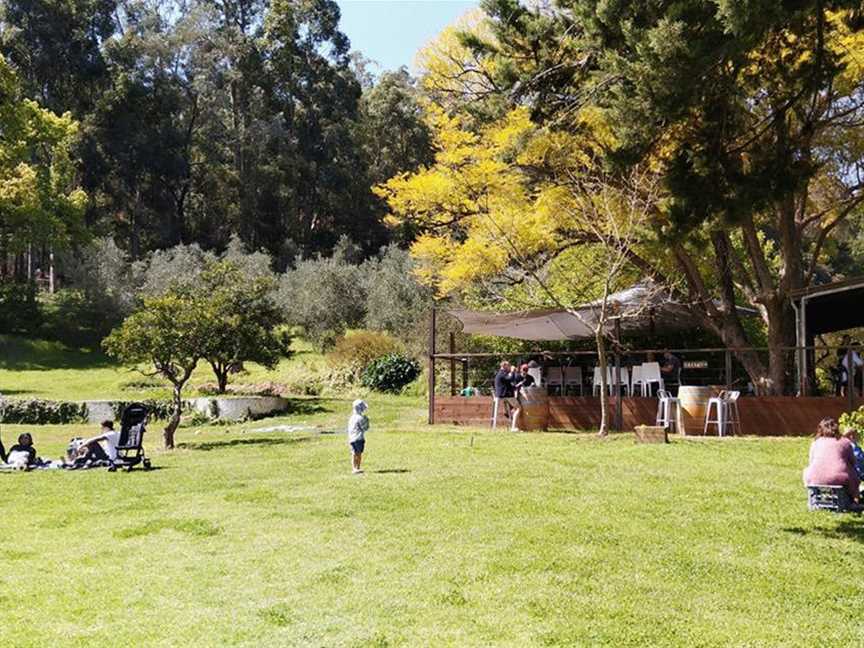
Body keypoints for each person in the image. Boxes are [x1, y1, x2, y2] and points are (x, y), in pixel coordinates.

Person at [803, 418, 860, 500]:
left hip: (814, 478)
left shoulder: (815, 443)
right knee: (853, 472)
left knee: (807, 470)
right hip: (839, 478)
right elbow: (853, 461)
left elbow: (811, 461)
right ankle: (855, 499)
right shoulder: (845, 442)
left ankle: (815, 499)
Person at [493, 361, 519, 431]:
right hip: (505, 395)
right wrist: (513, 371)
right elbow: (510, 379)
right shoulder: (502, 374)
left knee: (512, 408)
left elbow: (509, 380)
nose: (509, 367)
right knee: (519, 408)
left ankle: (509, 414)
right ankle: (513, 427)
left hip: (502, 395)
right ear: (504, 366)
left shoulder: (501, 373)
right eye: (508, 366)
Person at [347, 399, 369, 474]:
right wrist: (366, 420)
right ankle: (358, 467)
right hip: (359, 438)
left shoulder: (351, 418)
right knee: (359, 453)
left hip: (351, 438)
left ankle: (354, 468)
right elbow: (365, 428)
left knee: (353, 453)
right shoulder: (360, 418)